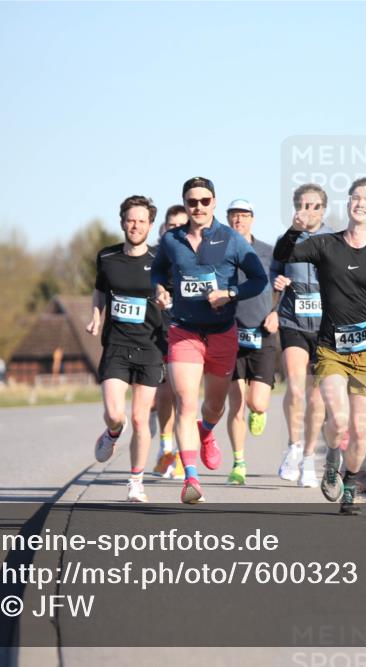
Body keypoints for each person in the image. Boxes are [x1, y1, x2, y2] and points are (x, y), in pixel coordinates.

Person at [273, 177, 366, 514]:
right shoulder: (326, 244)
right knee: (339, 420)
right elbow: (284, 255)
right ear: (349, 204)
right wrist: (294, 230)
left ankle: (350, 484)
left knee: (359, 430)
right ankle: (331, 461)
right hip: (331, 350)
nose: (360, 203)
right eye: (356, 197)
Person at [151, 177, 268, 504]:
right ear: (185, 203)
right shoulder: (172, 240)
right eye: (192, 201)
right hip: (184, 331)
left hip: (221, 333)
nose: (198, 207)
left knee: (214, 406)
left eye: (205, 201)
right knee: (185, 402)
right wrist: (159, 289)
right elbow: (157, 271)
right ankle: (191, 478)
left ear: (214, 202)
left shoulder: (231, 239)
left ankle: (205, 431)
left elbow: (259, 279)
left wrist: (230, 293)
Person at [88, 195, 165, 503]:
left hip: (150, 347)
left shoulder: (161, 260)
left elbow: (171, 295)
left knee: (139, 419)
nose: (135, 226)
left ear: (150, 225)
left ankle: (136, 481)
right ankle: (112, 433)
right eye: (131, 220)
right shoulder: (107, 257)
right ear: (122, 222)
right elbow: (99, 291)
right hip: (116, 345)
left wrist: (167, 300)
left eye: (141, 221)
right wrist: (97, 315)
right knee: (115, 414)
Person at [271, 184, 335, 487]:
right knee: (296, 390)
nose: (308, 211)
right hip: (293, 321)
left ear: (323, 209)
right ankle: (294, 446)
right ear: (295, 208)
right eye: (303, 205)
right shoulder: (287, 240)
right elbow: (273, 271)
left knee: (316, 397)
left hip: (326, 327)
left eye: (315, 206)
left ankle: (309, 457)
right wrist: (277, 281)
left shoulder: (336, 240)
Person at [223, 199, 279, 485]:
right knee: (236, 405)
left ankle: (260, 410)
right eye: (234, 215)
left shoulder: (268, 252)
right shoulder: (219, 252)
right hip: (230, 334)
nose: (239, 220)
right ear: (227, 219)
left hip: (262, 333)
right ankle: (239, 463)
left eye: (244, 215)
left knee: (256, 403)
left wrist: (276, 312)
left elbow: (286, 286)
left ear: (252, 219)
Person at [152, 204, 190, 480]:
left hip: (188, 332)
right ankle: (165, 449)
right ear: (163, 228)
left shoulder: (195, 256)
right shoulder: (154, 257)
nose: (175, 230)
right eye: (171, 225)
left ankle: (178, 452)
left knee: (184, 396)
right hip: (158, 333)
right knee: (166, 393)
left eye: (181, 226)